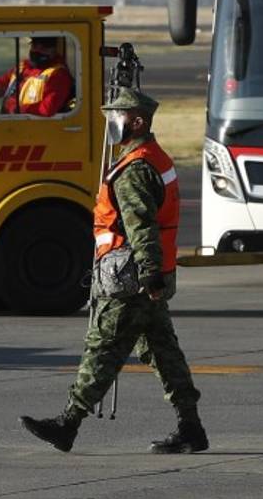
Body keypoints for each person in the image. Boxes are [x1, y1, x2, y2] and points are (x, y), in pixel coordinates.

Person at [19, 87, 207, 454]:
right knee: (165, 354)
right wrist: (156, 274)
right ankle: (191, 427)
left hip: (130, 278)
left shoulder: (134, 169)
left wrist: (149, 273)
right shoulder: (156, 158)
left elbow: (141, 226)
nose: (111, 126)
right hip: (149, 276)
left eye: (116, 119)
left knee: (102, 348)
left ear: (136, 122)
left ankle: (68, 424)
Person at [0, 36, 73, 116]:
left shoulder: (58, 75)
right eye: (35, 45)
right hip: (13, 124)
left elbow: (47, 108)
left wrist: (17, 109)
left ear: (54, 50)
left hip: (31, 131)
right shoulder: (23, 68)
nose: (38, 51)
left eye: (44, 47)